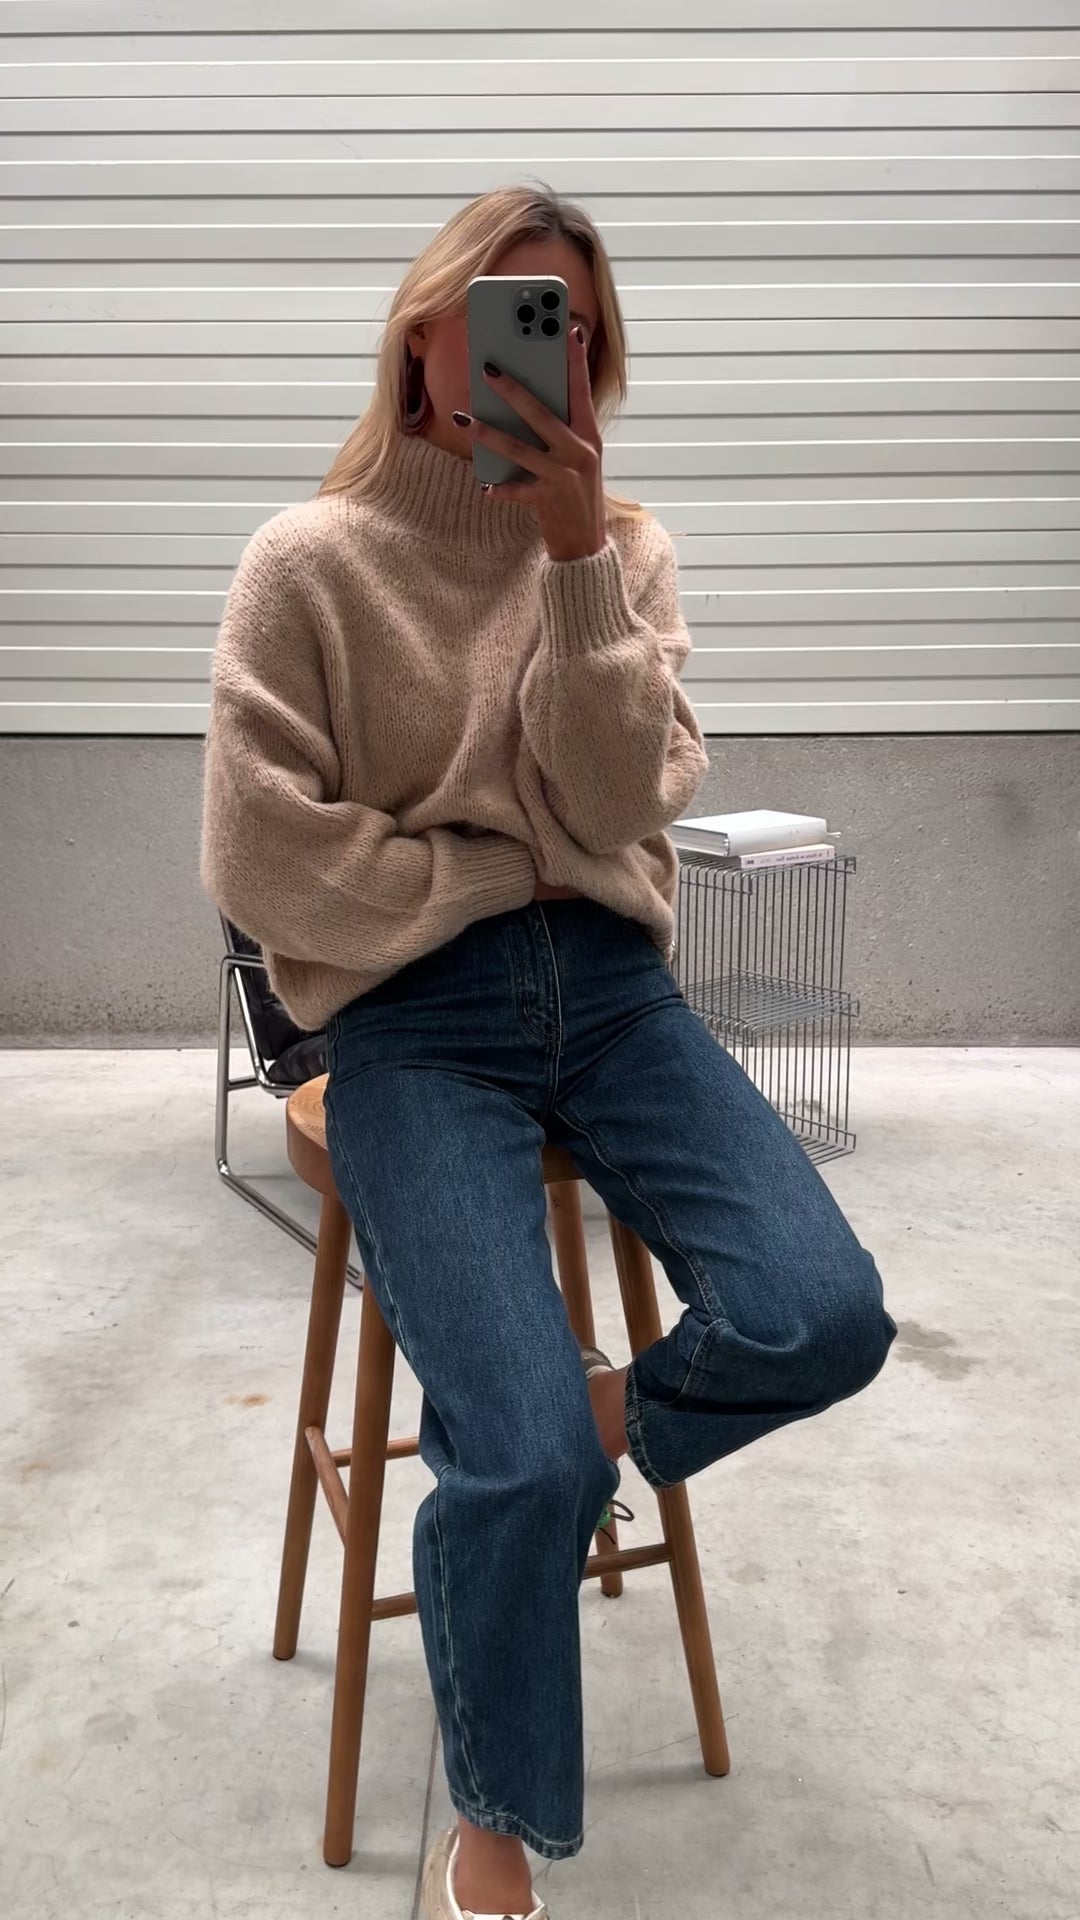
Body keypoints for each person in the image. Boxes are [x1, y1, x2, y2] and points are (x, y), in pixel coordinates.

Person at [201, 185, 896, 1920]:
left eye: (571, 326)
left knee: (823, 1310)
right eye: (508, 314)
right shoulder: (307, 561)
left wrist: (577, 562)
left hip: (614, 993)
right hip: (412, 1018)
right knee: (514, 1455)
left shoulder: (624, 554)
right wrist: (479, 878)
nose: (542, 349)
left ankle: (603, 1416)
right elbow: (261, 854)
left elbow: (615, 797)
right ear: (422, 335)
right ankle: (498, 1818)